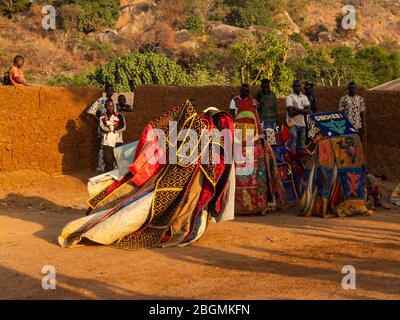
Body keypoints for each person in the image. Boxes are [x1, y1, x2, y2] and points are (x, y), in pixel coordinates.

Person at [233, 84, 286, 215]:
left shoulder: (253, 103)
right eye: (243, 90)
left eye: (247, 90)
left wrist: (260, 134)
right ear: (240, 91)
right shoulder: (234, 101)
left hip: (253, 139)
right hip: (239, 138)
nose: (245, 92)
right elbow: (232, 118)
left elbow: (256, 119)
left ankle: (260, 204)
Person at [87, 84, 115, 174]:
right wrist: (99, 121)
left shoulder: (112, 101)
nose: (111, 92)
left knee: (111, 147)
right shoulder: (101, 100)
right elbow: (91, 111)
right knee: (103, 147)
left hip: (112, 129)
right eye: (109, 90)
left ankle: (109, 167)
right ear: (106, 91)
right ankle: (101, 168)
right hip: (104, 128)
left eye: (112, 90)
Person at [99, 99, 126, 173]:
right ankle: (109, 180)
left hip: (118, 141)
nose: (110, 107)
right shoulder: (102, 118)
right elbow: (104, 129)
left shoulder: (120, 116)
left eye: (112, 106)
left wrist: (110, 126)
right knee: (108, 163)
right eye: (108, 106)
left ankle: (119, 181)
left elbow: (123, 127)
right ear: (105, 107)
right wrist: (115, 126)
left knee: (119, 162)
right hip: (107, 143)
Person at [286, 80, 311, 155]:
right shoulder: (290, 97)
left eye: (299, 86)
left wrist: (295, 108)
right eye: (296, 86)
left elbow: (309, 111)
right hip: (292, 122)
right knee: (293, 140)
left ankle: (300, 161)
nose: (298, 87)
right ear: (293, 87)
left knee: (302, 144)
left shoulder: (304, 97)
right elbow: (290, 113)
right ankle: (292, 157)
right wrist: (303, 110)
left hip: (302, 123)